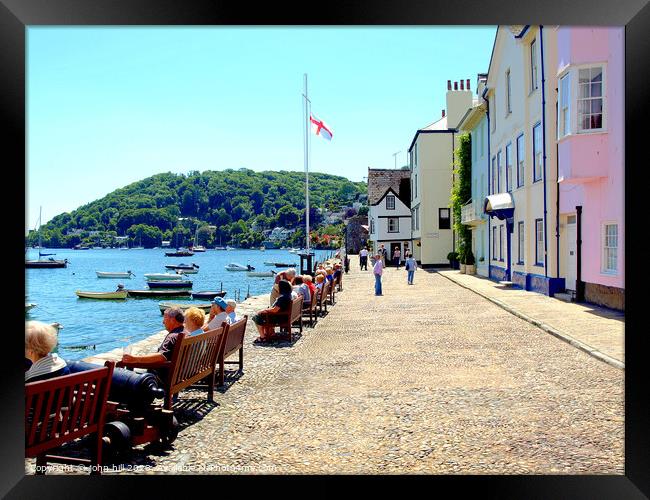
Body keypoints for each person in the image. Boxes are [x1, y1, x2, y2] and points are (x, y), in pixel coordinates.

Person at [121, 307, 185, 383]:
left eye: (165, 318)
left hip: (163, 377)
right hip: (181, 374)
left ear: (173, 320)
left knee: (123, 368)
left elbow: (161, 357)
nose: (163, 322)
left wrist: (135, 359)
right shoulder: (186, 333)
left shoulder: (172, 337)